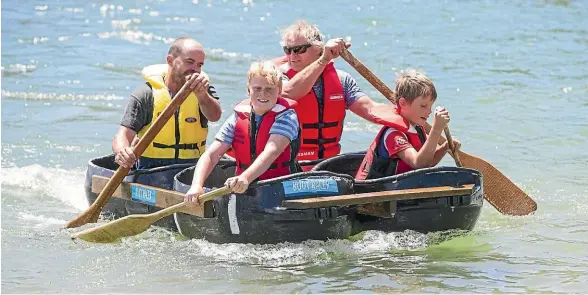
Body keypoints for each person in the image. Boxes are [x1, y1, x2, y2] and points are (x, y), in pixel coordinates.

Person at [184, 61, 300, 202]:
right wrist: (196, 186)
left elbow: (271, 152)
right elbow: (212, 154)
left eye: (269, 89)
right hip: (244, 186)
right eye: (257, 88)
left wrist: (245, 177)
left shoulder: (287, 117)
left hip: (279, 187)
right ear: (248, 90)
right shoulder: (238, 117)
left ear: (279, 90)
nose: (263, 94)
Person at [273, 20, 382, 165]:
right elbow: (288, 93)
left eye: (299, 49)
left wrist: (406, 112)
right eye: (288, 50)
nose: (292, 55)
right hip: (289, 167)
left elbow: (371, 110)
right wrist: (324, 60)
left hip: (327, 164)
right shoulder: (276, 78)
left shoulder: (342, 80)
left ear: (318, 49)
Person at [112, 37, 222, 170]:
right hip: (150, 169)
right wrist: (122, 152)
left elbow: (215, 116)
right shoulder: (146, 94)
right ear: (170, 60)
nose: (195, 70)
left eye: (199, 65)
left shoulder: (204, 90)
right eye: (189, 62)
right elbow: (123, 134)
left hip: (190, 170)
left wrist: (202, 96)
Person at [355, 70, 461, 180]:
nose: (429, 111)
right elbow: (419, 164)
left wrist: (445, 148)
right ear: (403, 103)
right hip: (373, 191)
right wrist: (436, 129)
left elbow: (427, 162)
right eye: (423, 106)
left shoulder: (418, 129)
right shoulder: (394, 135)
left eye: (430, 106)